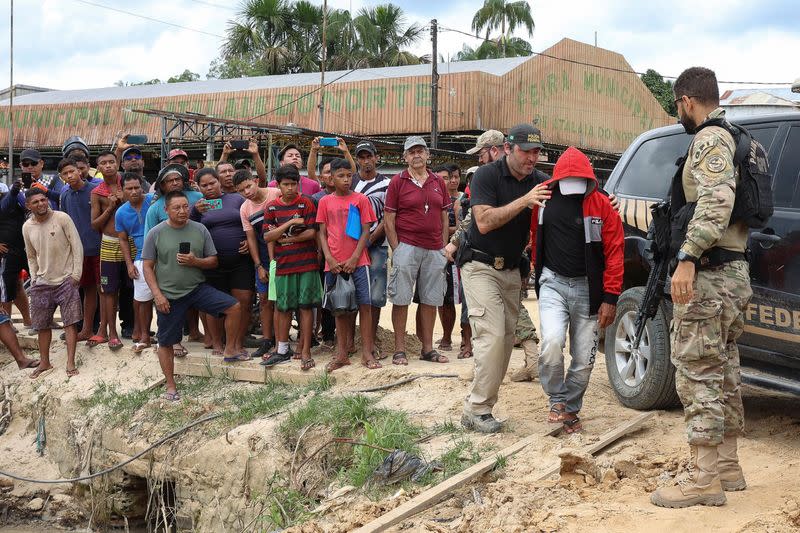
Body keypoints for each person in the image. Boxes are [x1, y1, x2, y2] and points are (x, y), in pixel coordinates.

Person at [650, 67, 753, 509]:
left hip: (710, 274)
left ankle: (704, 479)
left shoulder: (711, 138)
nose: (680, 114)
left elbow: (716, 201)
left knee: (698, 373)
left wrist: (687, 258)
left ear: (686, 101)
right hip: (733, 275)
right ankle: (727, 467)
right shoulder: (739, 137)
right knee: (725, 369)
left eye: (678, 106)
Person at [458, 125, 551, 433]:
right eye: (526, 151)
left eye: (536, 152)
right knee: (493, 335)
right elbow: (483, 222)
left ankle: (478, 409)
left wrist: (608, 201)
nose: (532, 158)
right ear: (509, 149)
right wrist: (525, 201)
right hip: (479, 265)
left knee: (505, 340)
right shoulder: (487, 176)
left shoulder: (539, 181)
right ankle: (478, 408)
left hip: (512, 270)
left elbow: (575, 194)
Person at [531, 147, 623, 434]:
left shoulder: (603, 205)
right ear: (556, 181)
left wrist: (610, 297)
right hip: (553, 283)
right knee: (551, 343)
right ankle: (557, 401)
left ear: (589, 181)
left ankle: (570, 409)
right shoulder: (541, 198)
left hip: (588, 288)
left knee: (584, 359)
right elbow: (534, 236)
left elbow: (615, 252)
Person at [142, 191, 244, 401]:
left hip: (196, 289)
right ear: (166, 210)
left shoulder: (200, 229)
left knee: (234, 307)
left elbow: (213, 260)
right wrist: (157, 295)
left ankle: (231, 349)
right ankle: (171, 386)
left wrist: (195, 261)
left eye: (185, 207)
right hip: (169, 294)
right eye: (176, 207)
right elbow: (148, 267)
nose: (182, 211)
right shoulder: (155, 232)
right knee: (166, 341)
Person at [384, 136, 451, 366]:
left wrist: (443, 247)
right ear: (405, 157)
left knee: (431, 299)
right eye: (411, 152)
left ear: (427, 155)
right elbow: (389, 217)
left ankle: (427, 348)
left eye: (420, 151)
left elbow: (444, 215)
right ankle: (400, 349)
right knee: (401, 298)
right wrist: (397, 248)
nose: (416, 155)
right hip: (407, 246)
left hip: (434, 248)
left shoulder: (437, 182)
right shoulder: (397, 181)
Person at [317, 158, 379, 372]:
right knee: (339, 309)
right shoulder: (325, 201)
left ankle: (367, 353)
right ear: (331, 178)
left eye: (349, 176)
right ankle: (342, 353)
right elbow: (322, 233)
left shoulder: (361, 199)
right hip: (333, 264)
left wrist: (354, 258)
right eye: (340, 176)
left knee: (365, 306)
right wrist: (329, 259)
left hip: (359, 262)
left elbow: (365, 231)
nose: (345, 180)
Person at [261, 165, 321, 370]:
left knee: (305, 307)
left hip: (306, 263)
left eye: (293, 184)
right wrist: (289, 225)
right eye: (285, 184)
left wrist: (285, 239)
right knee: (283, 307)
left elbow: (312, 233)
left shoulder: (307, 202)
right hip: (283, 265)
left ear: (298, 184)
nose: (290, 188)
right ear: (278, 185)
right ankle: (282, 349)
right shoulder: (270, 207)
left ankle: (305, 350)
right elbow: (268, 237)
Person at [190, 168, 253, 357]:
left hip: (241, 261)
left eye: (212, 183)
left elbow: (251, 223)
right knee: (214, 305)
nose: (209, 188)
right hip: (212, 263)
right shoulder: (197, 206)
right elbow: (189, 229)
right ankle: (217, 343)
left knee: (244, 301)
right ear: (198, 187)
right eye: (204, 185)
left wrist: (249, 243)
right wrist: (194, 211)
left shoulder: (237, 199)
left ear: (219, 182)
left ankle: (236, 343)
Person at [22, 187, 84, 378]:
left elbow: (77, 245)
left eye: (43, 199)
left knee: (70, 322)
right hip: (42, 282)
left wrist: (76, 275)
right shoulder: (27, 227)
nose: (41, 204)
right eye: (36, 202)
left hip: (67, 279)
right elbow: (31, 255)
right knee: (41, 325)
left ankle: (70, 362)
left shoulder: (62, 218)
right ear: (28, 205)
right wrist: (33, 278)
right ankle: (45, 363)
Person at [351, 141, 391, 355]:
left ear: (376, 157)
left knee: (375, 295)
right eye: (361, 157)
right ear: (357, 159)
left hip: (377, 245)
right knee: (351, 294)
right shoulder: (350, 182)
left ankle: (372, 338)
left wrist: (373, 237)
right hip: (351, 247)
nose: (366, 161)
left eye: (369, 156)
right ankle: (350, 340)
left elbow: (388, 215)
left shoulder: (387, 184)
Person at [235, 169, 281, 358]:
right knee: (264, 300)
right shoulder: (245, 208)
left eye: (248, 186)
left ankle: (282, 341)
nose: (247, 192)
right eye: (241, 190)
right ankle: (267, 340)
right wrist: (258, 265)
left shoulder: (275, 193)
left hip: (285, 252)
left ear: (255, 181)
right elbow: (251, 238)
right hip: (262, 257)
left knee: (282, 300)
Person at [58, 157, 101, 342]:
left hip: (101, 248)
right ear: (62, 177)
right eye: (65, 174)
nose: (70, 176)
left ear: (80, 170)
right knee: (88, 289)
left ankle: (104, 331)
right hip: (79, 252)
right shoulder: (65, 195)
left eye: (72, 171)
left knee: (104, 291)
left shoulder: (95, 191)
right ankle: (87, 329)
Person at [89, 150, 127, 350]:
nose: (109, 165)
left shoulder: (128, 183)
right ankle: (111, 333)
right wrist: (110, 207)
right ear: (99, 168)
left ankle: (140, 332)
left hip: (132, 242)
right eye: (103, 163)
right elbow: (95, 225)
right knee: (109, 290)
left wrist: (127, 198)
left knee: (134, 288)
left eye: (112, 161)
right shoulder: (97, 192)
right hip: (110, 243)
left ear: (117, 164)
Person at [115, 173, 154, 353]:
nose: (134, 191)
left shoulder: (153, 200)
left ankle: (166, 337)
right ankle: (144, 335)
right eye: (129, 188)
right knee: (142, 299)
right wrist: (129, 264)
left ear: (142, 187)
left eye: (137, 187)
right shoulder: (121, 212)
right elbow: (123, 240)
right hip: (140, 258)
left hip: (163, 255)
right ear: (122, 190)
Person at [0, 179, 31, 331]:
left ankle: (29, 320)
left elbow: (27, 208)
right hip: (6, 253)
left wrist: (15, 192)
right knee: (6, 288)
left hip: (24, 249)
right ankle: (6, 324)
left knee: (18, 285)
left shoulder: (15, 196)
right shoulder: (10, 196)